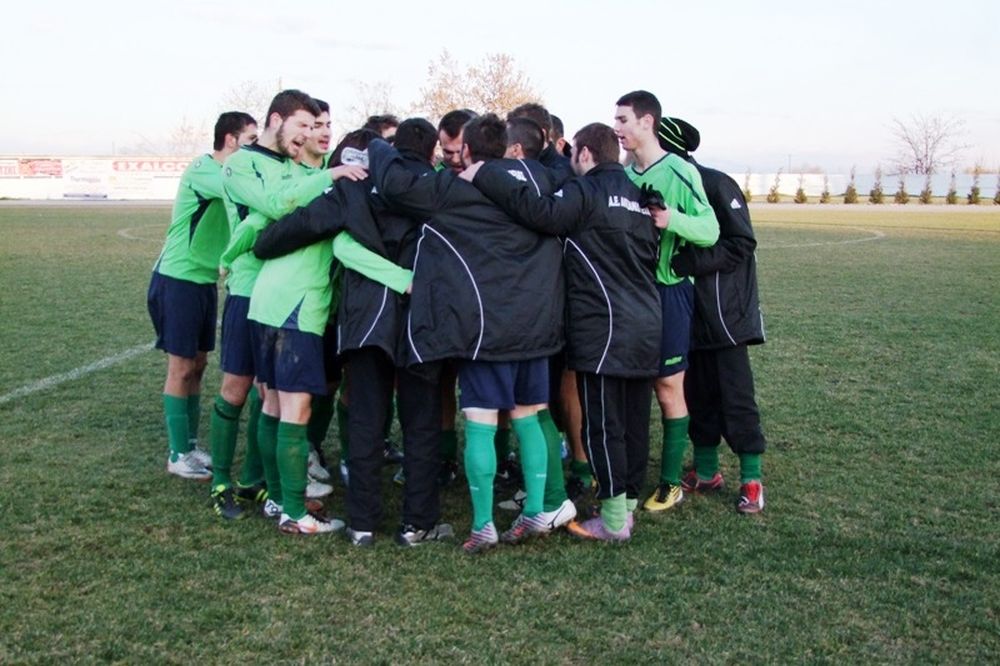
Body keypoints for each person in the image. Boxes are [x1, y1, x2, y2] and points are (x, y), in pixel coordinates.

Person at [367, 114, 566, 553]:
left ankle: (483, 524)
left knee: (480, 421)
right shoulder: (541, 181)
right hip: (535, 328)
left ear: (469, 152)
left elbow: (397, 184)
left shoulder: (455, 189)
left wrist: (376, 145)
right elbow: (561, 170)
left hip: (484, 330)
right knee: (528, 415)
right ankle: (536, 510)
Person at [255, 118, 457, 546]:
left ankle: (363, 523)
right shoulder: (441, 189)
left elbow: (303, 226)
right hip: (422, 320)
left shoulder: (356, 185)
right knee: (420, 421)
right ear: (432, 152)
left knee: (366, 419)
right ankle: (416, 523)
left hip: (367, 319)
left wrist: (263, 243)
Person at [466, 122, 661, 541]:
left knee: (603, 424)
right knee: (632, 421)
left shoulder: (585, 191)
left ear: (586, 154)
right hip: (647, 321)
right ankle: (626, 505)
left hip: (604, 324)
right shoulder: (638, 195)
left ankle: (613, 521)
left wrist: (484, 173)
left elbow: (540, 214)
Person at [209, 89, 364, 528]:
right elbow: (275, 207)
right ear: (277, 120)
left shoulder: (294, 166)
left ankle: (264, 485)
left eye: (316, 129)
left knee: (269, 397)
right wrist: (330, 174)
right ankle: (223, 483)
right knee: (239, 389)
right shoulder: (243, 163)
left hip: (282, 293)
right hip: (249, 290)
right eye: (302, 127)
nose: (308, 136)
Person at [613, 90, 719, 513]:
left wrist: (670, 219)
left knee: (667, 385)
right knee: (629, 386)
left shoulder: (677, 170)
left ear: (646, 122)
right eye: (615, 121)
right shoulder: (622, 174)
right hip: (628, 294)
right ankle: (621, 476)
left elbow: (710, 229)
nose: (617, 128)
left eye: (623, 120)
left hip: (669, 291)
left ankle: (671, 482)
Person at [656, 117, 767, 514]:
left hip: (724, 315)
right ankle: (706, 471)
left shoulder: (716, 183)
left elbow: (742, 242)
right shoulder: (661, 182)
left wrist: (691, 261)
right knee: (696, 394)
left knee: (735, 398)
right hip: (685, 311)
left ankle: (751, 479)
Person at [148, 111, 257, 482]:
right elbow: (240, 194)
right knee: (180, 367)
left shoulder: (228, 171)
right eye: (251, 140)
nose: (255, 147)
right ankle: (178, 454)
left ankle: (190, 445)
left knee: (198, 365)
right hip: (177, 277)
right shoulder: (206, 171)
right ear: (231, 140)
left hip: (204, 280)